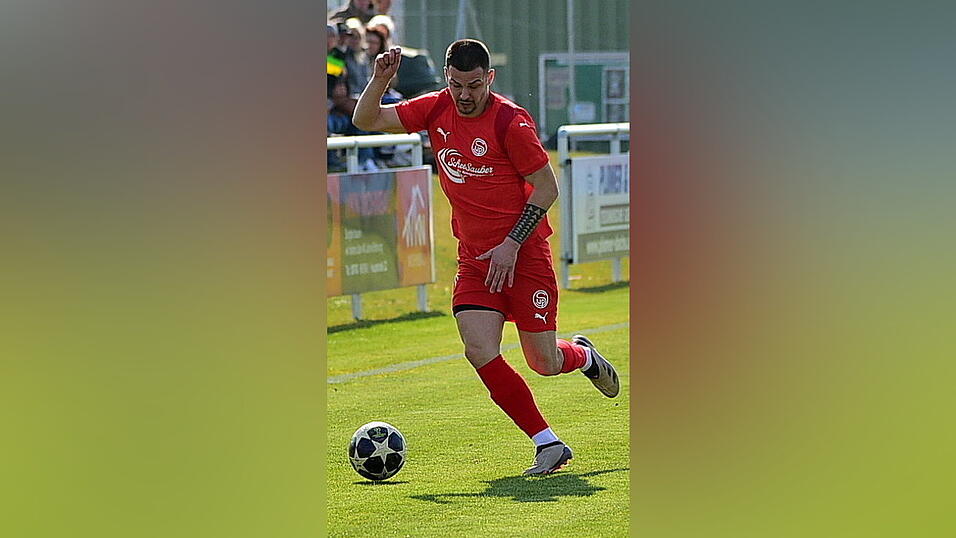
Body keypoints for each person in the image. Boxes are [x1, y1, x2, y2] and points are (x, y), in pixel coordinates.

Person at [353, 39, 621, 475]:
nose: (464, 95)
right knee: (478, 348)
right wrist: (380, 80)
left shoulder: (510, 122)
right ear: (447, 77)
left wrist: (511, 244)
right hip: (476, 261)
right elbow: (366, 120)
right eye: (456, 84)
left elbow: (548, 188)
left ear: (489, 78)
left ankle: (583, 357)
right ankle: (548, 443)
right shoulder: (435, 108)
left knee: (544, 363)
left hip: (524, 256)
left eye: (474, 85)